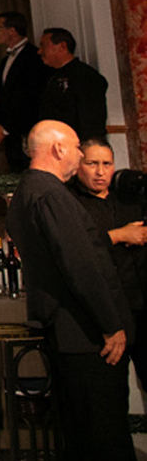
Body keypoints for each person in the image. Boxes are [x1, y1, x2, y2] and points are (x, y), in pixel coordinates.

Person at [6, 120, 133, 461]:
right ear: (58, 148)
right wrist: (111, 324)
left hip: (67, 331)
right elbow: (81, 266)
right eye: (77, 147)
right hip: (85, 334)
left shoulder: (28, 191)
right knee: (105, 438)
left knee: (83, 435)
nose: (79, 154)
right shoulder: (50, 194)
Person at [70, 138, 147, 392]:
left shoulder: (129, 196)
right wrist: (119, 235)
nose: (100, 172)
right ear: (78, 165)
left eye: (107, 164)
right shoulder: (71, 202)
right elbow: (74, 250)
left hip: (142, 305)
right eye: (92, 164)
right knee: (112, 390)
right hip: (108, 313)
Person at [0, 11, 49, 172]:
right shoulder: (6, 60)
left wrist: (5, 128)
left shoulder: (34, 57)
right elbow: (5, 98)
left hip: (28, 133)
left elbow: (30, 99)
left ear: (12, 30)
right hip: (12, 137)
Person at [36, 27, 109, 141]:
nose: (39, 51)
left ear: (62, 46)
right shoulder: (49, 76)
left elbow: (91, 121)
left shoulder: (85, 76)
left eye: (43, 46)